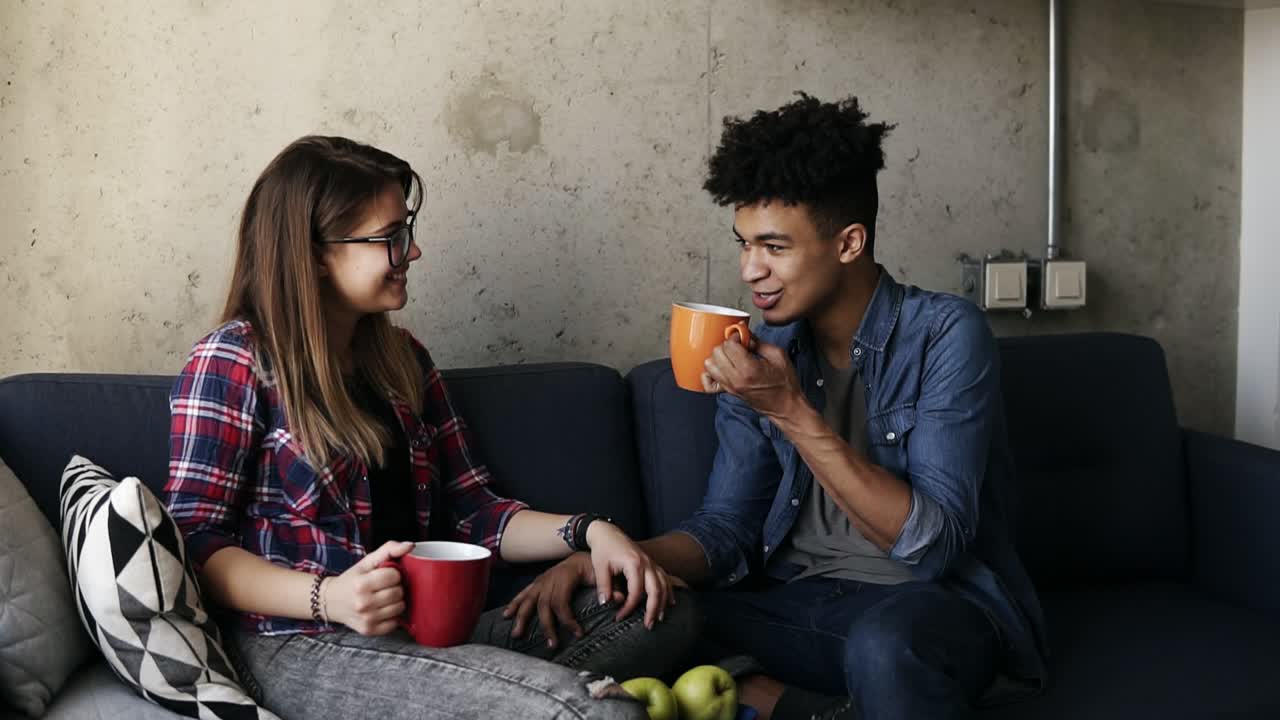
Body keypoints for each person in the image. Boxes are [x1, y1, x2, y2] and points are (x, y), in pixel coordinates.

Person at [505, 94, 1048, 720]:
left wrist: (789, 409)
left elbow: (934, 545)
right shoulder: (765, 348)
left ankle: (784, 700)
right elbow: (727, 529)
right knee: (641, 610)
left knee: (886, 649)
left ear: (848, 243)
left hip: (927, 607)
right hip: (797, 603)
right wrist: (605, 556)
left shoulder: (946, 333)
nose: (749, 270)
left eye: (774, 247)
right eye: (743, 245)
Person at [163, 135, 694, 720]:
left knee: (666, 608)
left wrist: (592, 532)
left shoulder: (404, 361)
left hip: (428, 634)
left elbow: (476, 511)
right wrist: (331, 598)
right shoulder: (233, 359)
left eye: (404, 232)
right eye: (389, 238)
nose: (411, 253)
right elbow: (196, 542)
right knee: (600, 714)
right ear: (314, 253)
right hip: (300, 644)